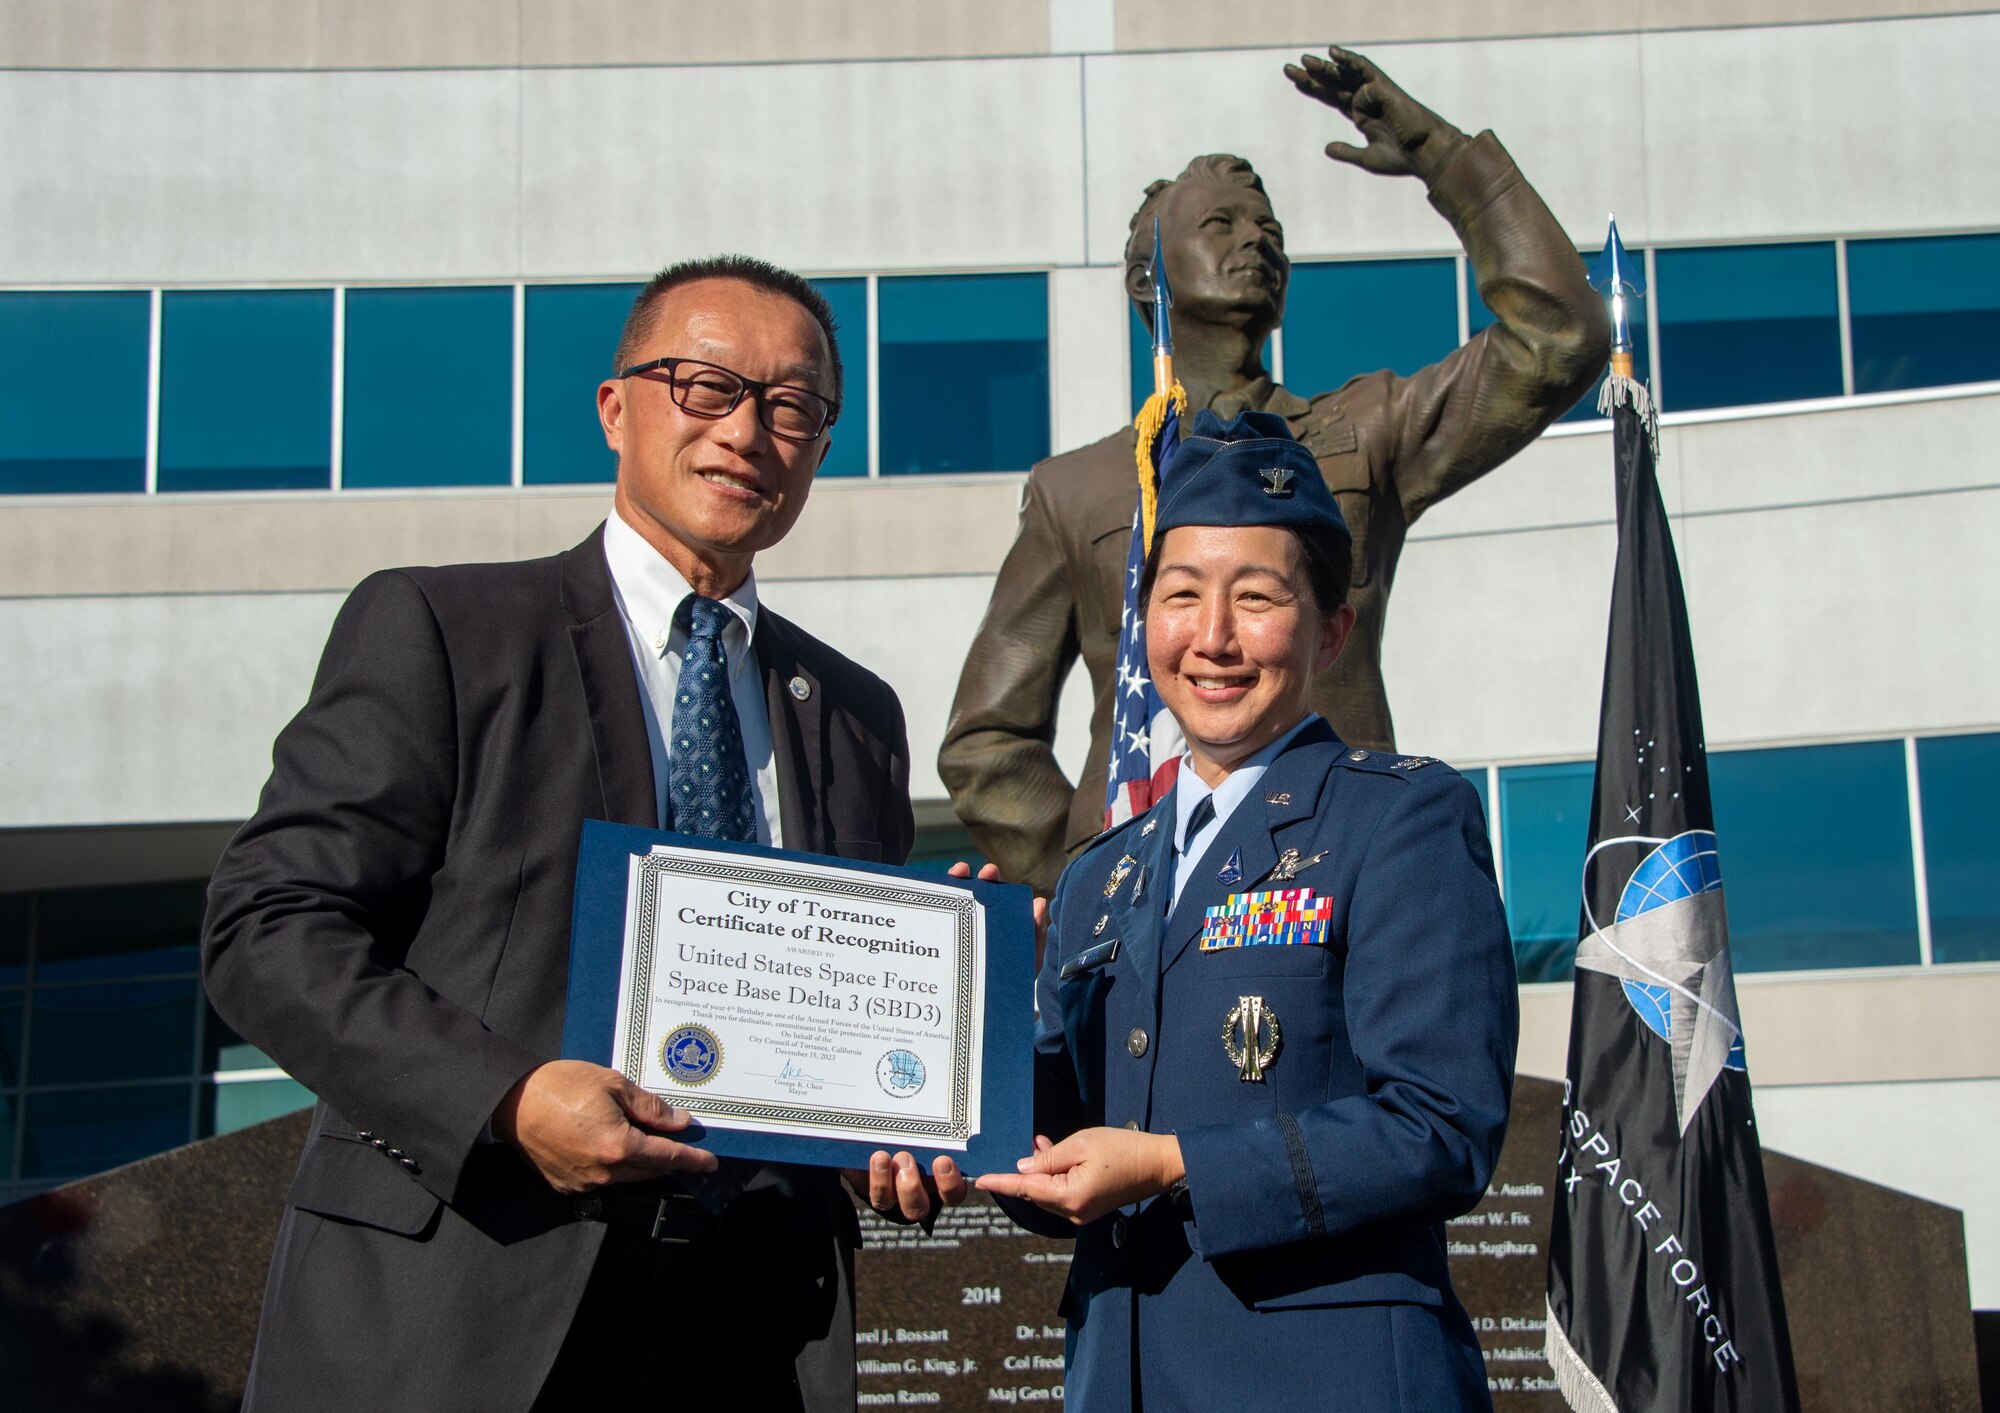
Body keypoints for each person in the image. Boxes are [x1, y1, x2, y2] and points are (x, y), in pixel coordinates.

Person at [202, 256, 963, 1413]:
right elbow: (268, 926)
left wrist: (916, 1089)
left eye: (793, 406)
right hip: (466, 1294)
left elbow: (831, 1020)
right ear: (617, 408)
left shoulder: (855, 715)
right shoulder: (447, 629)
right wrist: (503, 1100)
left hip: (748, 1319)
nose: (747, 431)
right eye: (705, 386)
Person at [941, 45, 1611, 897]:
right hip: (1144, 912)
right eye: (1219, 226)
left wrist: (1444, 158)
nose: (1255, 241)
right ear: (1148, 274)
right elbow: (987, 739)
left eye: (1270, 234)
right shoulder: (1078, 489)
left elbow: (1561, 337)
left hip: (1330, 888)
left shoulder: (1364, 432)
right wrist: (1092, 887)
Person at [977, 410, 1519, 1411]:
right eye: (1178, 596)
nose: (1212, 637)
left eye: (1256, 598)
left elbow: (1442, 1126)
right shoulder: (1101, 872)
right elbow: (1066, 1158)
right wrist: (979, 1034)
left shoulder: (1398, 820)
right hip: (1124, 1375)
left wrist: (1173, 1164)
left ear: (1329, 630)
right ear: (1145, 626)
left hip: (1324, 1380)